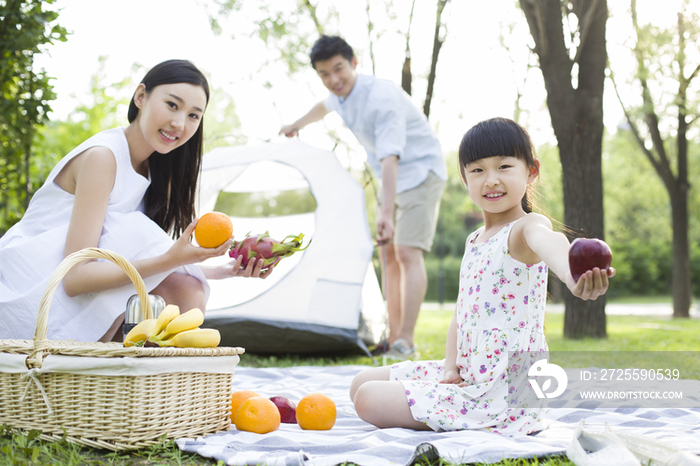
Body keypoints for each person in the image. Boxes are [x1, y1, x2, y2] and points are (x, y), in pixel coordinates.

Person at [348, 117, 616, 435]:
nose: (490, 180)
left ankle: (465, 410)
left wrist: (576, 280)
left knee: (367, 398)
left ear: (531, 171)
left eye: (504, 167)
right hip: (469, 374)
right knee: (361, 382)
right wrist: (450, 368)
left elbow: (554, 246)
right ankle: (448, 391)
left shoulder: (526, 228)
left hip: (504, 395)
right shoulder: (474, 240)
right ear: (464, 178)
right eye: (478, 170)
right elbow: (463, 312)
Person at [0, 59, 272, 343]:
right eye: (172, 105)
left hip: (68, 284)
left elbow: (134, 261)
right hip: (31, 285)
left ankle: (146, 383)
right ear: (140, 97)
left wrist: (220, 270)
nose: (179, 123)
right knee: (165, 267)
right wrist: (169, 259)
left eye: (193, 115)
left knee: (186, 288)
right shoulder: (102, 158)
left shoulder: (156, 170)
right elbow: (74, 277)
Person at [279, 35, 447, 359]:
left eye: (339, 69)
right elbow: (323, 107)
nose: (334, 80)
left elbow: (390, 158)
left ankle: (406, 342)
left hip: (420, 173)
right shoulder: (338, 96)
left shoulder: (380, 98)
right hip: (393, 181)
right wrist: (295, 125)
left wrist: (384, 211)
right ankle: (393, 335)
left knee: (408, 253)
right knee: (389, 257)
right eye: (324, 74)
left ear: (354, 63)